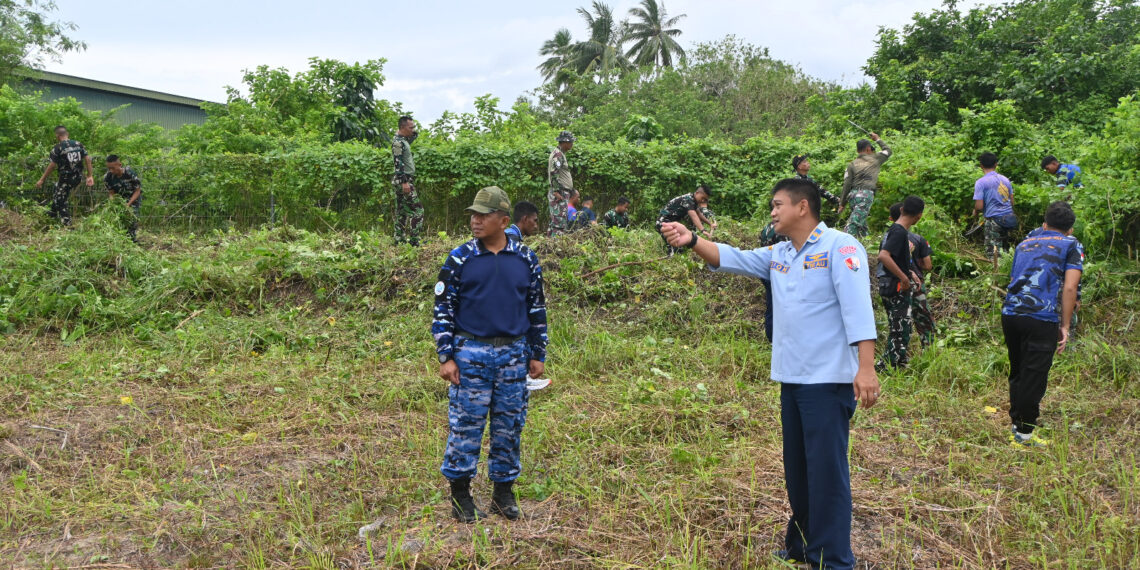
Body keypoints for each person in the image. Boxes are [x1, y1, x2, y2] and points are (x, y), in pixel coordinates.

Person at [661, 177, 879, 570]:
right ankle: (801, 546)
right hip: (792, 380)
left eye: (778, 204)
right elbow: (732, 257)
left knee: (827, 473)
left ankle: (832, 560)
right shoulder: (780, 253)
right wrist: (692, 240)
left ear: (802, 207)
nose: (773, 212)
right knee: (798, 470)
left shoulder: (840, 247)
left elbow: (858, 309)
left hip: (827, 382)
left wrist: (866, 368)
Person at [431, 186, 548, 522]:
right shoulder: (460, 258)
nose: (475, 220)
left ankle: (503, 493)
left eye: (483, 215)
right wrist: (446, 356)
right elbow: (442, 311)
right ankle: (460, 496)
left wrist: (537, 353)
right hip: (470, 354)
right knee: (466, 426)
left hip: (513, 354)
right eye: (473, 214)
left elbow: (536, 308)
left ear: (504, 220)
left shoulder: (525, 259)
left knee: (509, 425)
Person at [1001, 201, 1082, 448]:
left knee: (1018, 370)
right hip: (1042, 316)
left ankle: (1017, 425)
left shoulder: (1024, 243)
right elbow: (1070, 287)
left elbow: (1014, 278)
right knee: (1034, 375)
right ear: (1070, 228)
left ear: (1045, 223)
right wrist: (1065, 325)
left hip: (1011, 313)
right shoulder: (1071, 244)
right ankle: (1024, 435)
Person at [876, 196, 925, 370]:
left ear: (902, 209)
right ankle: (886, 366)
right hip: (895, 286)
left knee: (900, 327)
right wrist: (904, 278)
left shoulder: (894, 230)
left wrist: (909, 272)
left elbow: (895, 258)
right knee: (900, 329)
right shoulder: (899, 232)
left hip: (888, 283)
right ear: (919, 216)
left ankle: (899, 363)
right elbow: (883, 256)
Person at [889, 202, 935, 348]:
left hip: (895, 284)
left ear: (892, 218)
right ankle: (928, 348)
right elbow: (928, 265)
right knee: (924, 319)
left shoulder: (889, 237)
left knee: (900, 321)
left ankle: (900, 353)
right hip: (916, 284)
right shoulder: (919, 239)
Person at [35, 125, 94, 226]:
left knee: (61, 199)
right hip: (78, 177)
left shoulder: (57, 148)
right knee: (57, 189)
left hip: (66, 178)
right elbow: (88, 159)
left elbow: (52, 166)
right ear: (67, 134)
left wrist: (42, 179)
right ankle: (52, 213)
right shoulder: (78, 144)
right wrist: (90, 175)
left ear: (57, 136)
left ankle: (67, 224)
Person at [839, 133, 892, 238]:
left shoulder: (852, 164)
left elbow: (847, 184)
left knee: (861, 223)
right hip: (865, 194)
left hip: (853, 196)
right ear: (868, 149)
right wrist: (877, 139)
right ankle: (841, 242)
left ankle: (865, 242)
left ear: (858, 151)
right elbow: (888, 151)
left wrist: (842, 203)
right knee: (854, 223)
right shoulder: (875, 158)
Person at [973, 152, 1017, 258]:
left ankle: (995, 273)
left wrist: (975, 212)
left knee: (993, 253)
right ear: (996, 164)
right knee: (1006, 251)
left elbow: (979, 206)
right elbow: (1012, 202)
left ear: (981, 165)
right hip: (1009, 219)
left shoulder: (981, 182)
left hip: (994, 221)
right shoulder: (1006, 180)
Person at [392, 116, 424, 246]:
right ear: (403, 128)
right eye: (411, 127)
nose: (413, 130)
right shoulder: (398, 143)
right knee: (418, 211)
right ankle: (414, 241)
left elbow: (412, 137)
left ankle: (399, 239)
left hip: (402, 180)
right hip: (403, 180)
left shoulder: (403, 140)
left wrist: (413, 133)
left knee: (401, 211)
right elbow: (398, 163)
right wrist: (405, 182)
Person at [656, 184, 715, 255]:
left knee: (679, 245)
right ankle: (669, 260)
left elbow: (699, 214)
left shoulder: (693, 201)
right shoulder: (688, 199)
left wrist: (710, 224)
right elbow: (694, 216)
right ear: (697, 193)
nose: (703, 200)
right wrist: (703, 230)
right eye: (702, 198)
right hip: (664, 223)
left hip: (672, 224)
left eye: (705, 200)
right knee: (674, 247)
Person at [103, 155, 142, 242]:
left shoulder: (130, 173)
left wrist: (128, 204)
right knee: (118, 218)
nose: (111, 170)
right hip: (120, 199)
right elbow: (111, 193)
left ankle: (132, 240)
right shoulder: (107, 177)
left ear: (119, 165)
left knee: (132, 218)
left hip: (133, 198)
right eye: (109, 168)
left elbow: (137, 191)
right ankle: (119, 239)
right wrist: (112, 204)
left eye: (113, 168)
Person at [548, 131, 576, 236]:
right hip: (560, 193)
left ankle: (549, 244)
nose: (572, 144)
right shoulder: (558, 154)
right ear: (565, 142)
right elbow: (554, 172)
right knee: (559, 223)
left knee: (556, 221)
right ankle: (556, 246)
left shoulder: (559, 154)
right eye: (571, 142)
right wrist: (556, 191)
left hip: (562, 192)